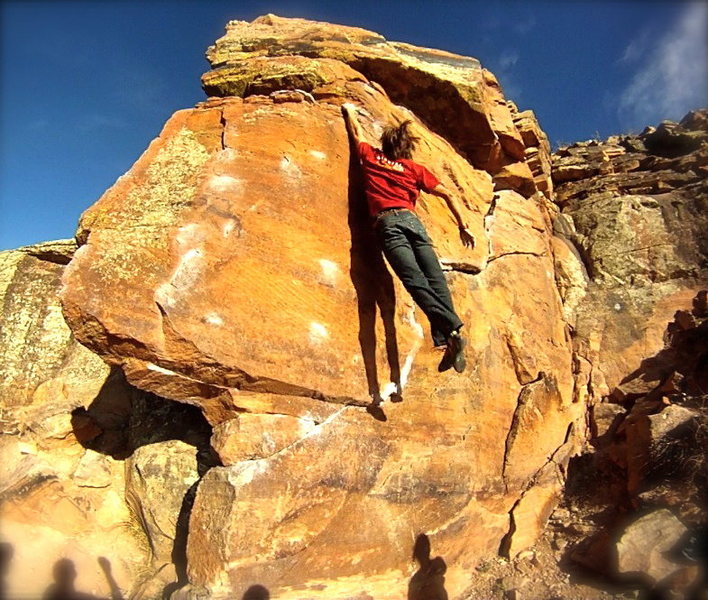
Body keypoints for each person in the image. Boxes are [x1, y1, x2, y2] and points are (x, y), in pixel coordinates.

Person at [342, 103, 473, 373]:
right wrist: (463, 225)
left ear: (385, 144)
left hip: (388, 223)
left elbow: (356, 133)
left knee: (414, 280)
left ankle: (452, 328)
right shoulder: (413, 169)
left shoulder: (371, 157)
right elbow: (447, 193)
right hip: (413, 221)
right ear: (405, 148)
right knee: (436, 280)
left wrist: (349, 111)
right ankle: (449, 339)